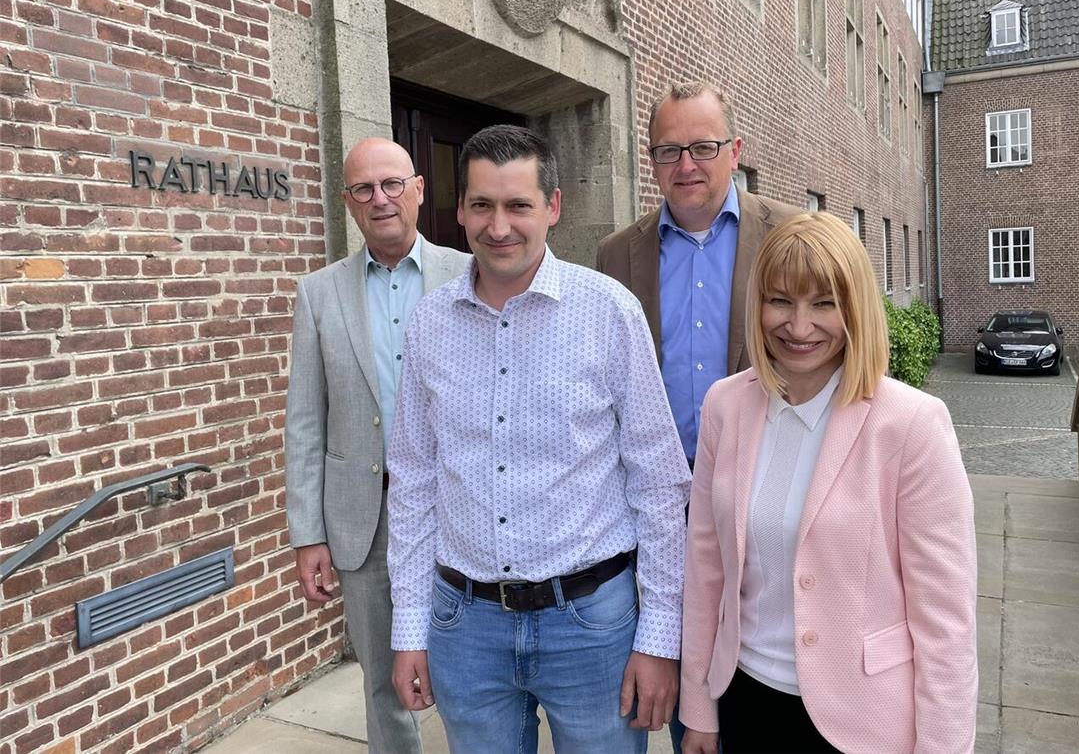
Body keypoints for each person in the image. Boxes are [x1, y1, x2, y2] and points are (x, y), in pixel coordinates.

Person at [387, 124, 691, 754]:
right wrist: (410, 629)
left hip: (591, 625)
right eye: (482, 205)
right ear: (462, 209)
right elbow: (413, 483)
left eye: (518, 205)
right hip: (465, 626)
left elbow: (659, 482)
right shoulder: (429, 324)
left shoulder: (609, 313)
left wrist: (659, 638)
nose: (499, 226)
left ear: (552, 207)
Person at [680, 212, 977, 754]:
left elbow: (946, 621)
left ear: (855, 308)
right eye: (780, 300)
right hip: (745, 700)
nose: (798, 326)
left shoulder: (911, 424)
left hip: (863, 722)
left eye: (823, 303)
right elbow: (706, 571)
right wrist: (698, 708)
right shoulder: (726, 404)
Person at [285, 137, 470, 754]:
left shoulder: (468, 272)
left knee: (475, 676)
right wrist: (308, 533)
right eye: (363, 189)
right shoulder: (318, 293)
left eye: (392, 184)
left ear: (419, 189)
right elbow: (306, 422)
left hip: (460, 510)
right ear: (347, 202)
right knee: (383, 684)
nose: (380, 199)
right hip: (364, 519)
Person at [597, 81, 801, 469]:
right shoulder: (616, 255)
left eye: (704, 148)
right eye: (669, 151)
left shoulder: (793, 234)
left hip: (769, 475)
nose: (686, 166)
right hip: (659, 488)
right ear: (652, 159)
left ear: (735, 152)